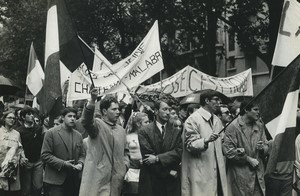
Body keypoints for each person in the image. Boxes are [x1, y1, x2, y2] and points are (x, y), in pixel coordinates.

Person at [79, 89, 130, 196]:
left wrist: (124, 166)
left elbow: (126, 152)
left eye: (118, 109)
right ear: (104, 111)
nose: (118, 112)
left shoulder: (121, 130)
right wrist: (92, 101)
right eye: (114, 109)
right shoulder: (97, 125)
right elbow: (86, 121)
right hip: (97, 181)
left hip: (115, 182)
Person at [181, 89, 228, 196]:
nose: (218, 103)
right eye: (215, 100)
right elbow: (190, 145)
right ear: (207, 101)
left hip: (217, 173)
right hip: (199, 172)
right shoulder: (193, 119)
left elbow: (221, 143)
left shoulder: (217, 120)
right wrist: (205, 141)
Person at [223, 99, 269, 196]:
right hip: (240, 177)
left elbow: (266, 146)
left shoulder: (260, 125)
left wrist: (262, 149)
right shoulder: (233, 127)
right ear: (246, 110)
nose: (258, 112)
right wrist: (247, 159)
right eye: (255, 109)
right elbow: (229, 152)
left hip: (258, 176)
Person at [138, 98, 182, 196]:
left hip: (170, 185)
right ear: (156, 111)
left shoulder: (176, 131)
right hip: (151, 181)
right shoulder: (144, 131)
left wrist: (158, 158)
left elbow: (178, 153)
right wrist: (168, 172)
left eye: (169, 110)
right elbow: (147, 158)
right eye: (165, 109)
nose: (168, 113)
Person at [41, 107, 85, 196]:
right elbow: (45, 155)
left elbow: (82, 154)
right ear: (62, 117)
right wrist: (63, 163)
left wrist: (80, 163)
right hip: (56, 180)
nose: (72, 118)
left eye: (74, 116)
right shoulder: (51, 133)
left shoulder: (78, 135)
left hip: (73, 180)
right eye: (69, 116)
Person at [15, 107, 43, 196]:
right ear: (23, 117)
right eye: (29, 114)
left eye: (32, 114)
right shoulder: (19, 131)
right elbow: (18, 147)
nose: (32, 116)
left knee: (38, 186)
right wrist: (21, 158)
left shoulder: (39, 129)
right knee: (26, 190)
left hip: (38, 161)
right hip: (26, 162)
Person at [123, 112, 149, 196]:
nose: (148, 124)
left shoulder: (148, 136)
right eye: (146, 122)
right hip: (132, 171)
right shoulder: (128, 137)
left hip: (146, 171)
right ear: (138, 123)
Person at [0, 111, 23, 196]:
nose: (12, 120)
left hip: (13, 167)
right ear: (4, 119)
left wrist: (22, 158)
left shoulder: (17, 134)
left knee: (12, 191)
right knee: (2, 189)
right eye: (9, 117)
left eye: (13, 118)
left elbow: (20, 149)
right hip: (1, 165)